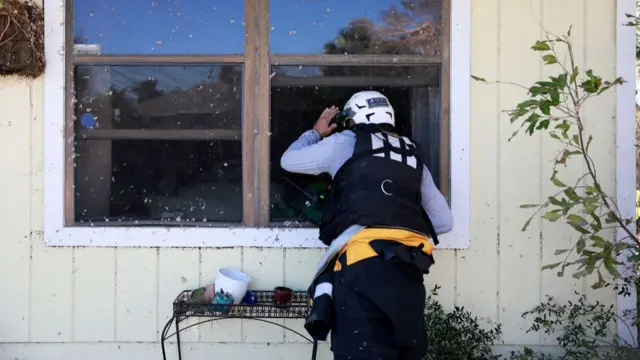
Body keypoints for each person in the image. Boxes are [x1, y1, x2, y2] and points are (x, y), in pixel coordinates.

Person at [280, 90, 453, 360]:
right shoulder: (410, 155)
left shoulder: (344, 143)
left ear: (353, 118)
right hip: (409, 273)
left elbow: (288, 161)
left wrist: (316, 132)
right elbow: (444, 221)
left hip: (361, 269)